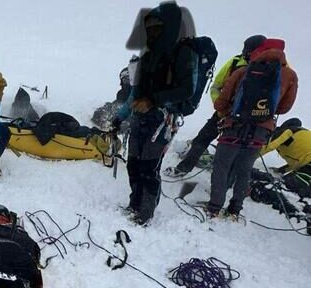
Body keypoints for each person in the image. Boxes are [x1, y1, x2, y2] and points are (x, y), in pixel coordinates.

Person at [112, 2, 198, 225]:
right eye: (149, 26)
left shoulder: (183, 53)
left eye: (157, 25)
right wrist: (120, 117)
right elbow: (135, 93)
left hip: (162, 121)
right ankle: (135, 203)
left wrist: (153, 101)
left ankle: (145, 212)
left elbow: (186, 90)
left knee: (149, 167)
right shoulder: (148, 53)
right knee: (133, 164)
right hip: (140, 119)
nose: (151, 30)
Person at [207, 38, 298, 218]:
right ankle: (234, 210)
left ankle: (214, 208)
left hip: (234, 125)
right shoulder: (289, 76)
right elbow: (285, 107)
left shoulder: (244, 70)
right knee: (244, 169)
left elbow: (221, 101)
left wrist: (229, 113)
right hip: (261, 131)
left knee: (222, 166)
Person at [164, 35, 267, 177]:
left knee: (233, 150)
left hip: (249, 119)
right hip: (225, 113)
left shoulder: (272, 69)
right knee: (202, 139)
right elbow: (216, 86)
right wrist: (221, 107)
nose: (246, 52)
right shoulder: (236, 62)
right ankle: (184, 168)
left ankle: (226, 184)